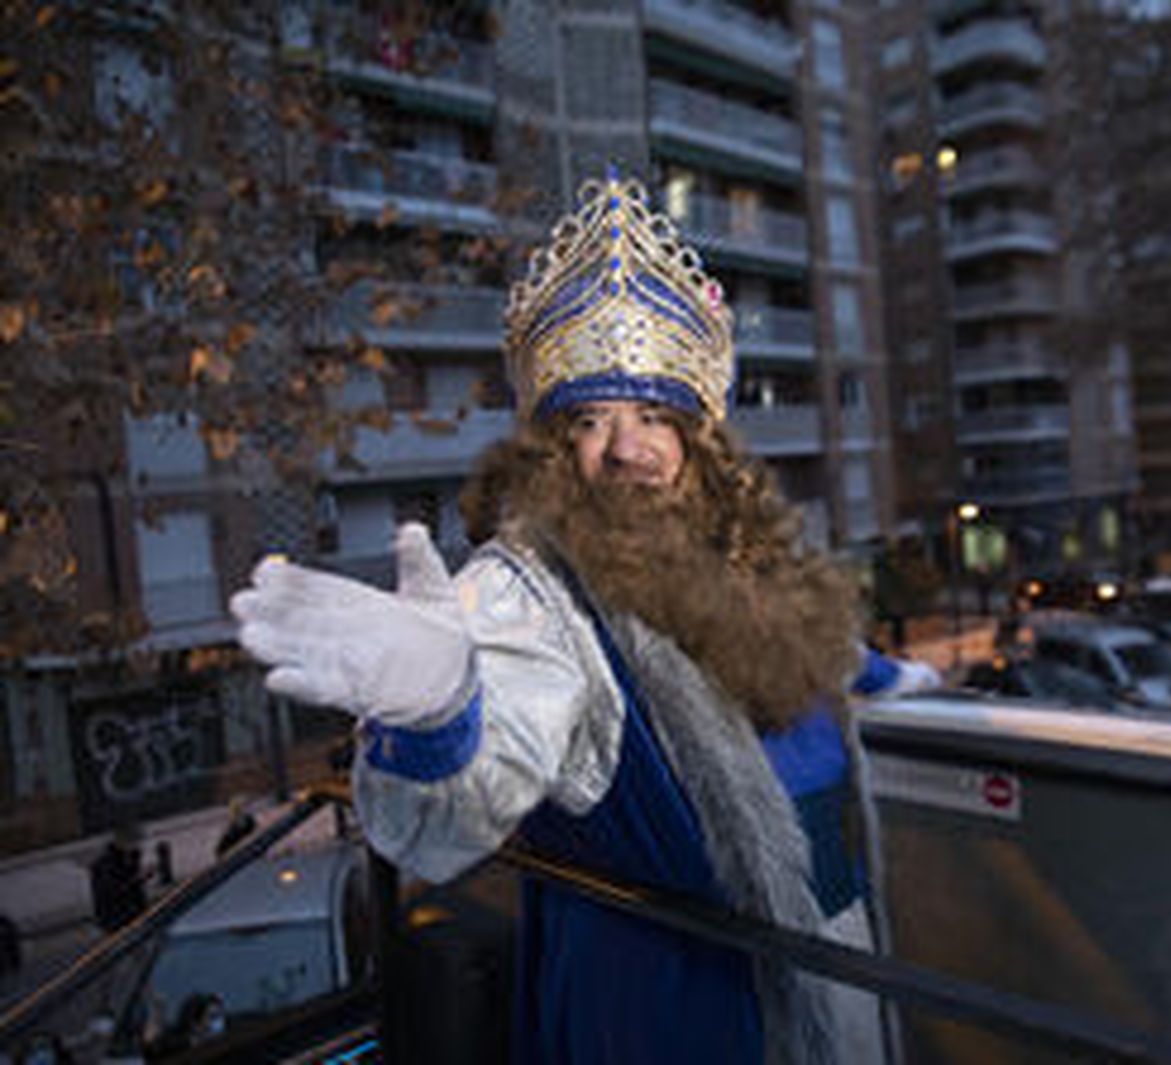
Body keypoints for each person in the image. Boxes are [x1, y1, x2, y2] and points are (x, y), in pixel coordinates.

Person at [230, 172, 936, 1065]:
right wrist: (440, 710)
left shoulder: (738, 556)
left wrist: (897, 680)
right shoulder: (531, 591)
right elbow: (462, 794)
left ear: (697, 440)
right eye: (591, 421)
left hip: (840, 974)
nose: (627, 449)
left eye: (652, 417)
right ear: (553, 447)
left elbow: (817, 655)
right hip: (673, 1014)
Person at [90, 824, 147, 933]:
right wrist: (139, 879)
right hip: (116, 919)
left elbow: (135, 890)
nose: (138, 845)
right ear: (122, 842)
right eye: (133, 842)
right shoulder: (105, 864)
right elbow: (113, 892)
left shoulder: (131, 857)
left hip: (135, 915)